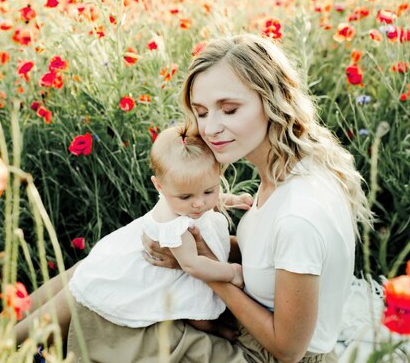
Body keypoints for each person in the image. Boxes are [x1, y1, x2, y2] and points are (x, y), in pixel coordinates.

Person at [65, 33, 373, 363]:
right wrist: (193, 249)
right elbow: (271, 259)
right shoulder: (288, 170)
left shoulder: (299, 213)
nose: (210, 128)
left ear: (274, 101)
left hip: (265, 353)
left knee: (100, 316)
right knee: (110, 263)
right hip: (248, 324)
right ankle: (5, 330)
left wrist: (203, 270)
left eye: (228, 110)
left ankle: (15, 345)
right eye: (201, 112)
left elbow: (289, 350)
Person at [13, 125, 245, 346]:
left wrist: (230, 200)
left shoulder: (187, 196)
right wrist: (232, 272)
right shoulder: (178, 226)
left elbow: (203, 197)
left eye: (209, 190)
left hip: (134, 246)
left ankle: (4, 322)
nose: (199, 203)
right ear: (160, 187)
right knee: (192, 305)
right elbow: (193, 266)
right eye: (186, 197)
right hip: (150, 270)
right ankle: (15, 338)